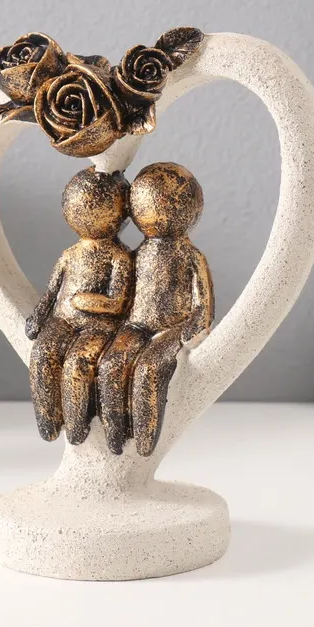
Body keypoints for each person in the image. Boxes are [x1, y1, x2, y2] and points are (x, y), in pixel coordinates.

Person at [98, 162, 214, 457]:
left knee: (148, 369)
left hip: (172, 328)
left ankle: (145, 442)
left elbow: (203, 304)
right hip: (135, 325)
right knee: (111, 364)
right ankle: (115, 437)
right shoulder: (138, 254)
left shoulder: (191, 255)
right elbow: (123, 296)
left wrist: (193, 329)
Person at [25, 168, 133, 445]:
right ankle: (49, 421)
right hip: (64, 320)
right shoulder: (69, 255)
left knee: (78, 364)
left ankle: (77, 428)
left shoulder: (119, 257)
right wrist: (39, 315)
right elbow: (51, 292)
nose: (87, 213)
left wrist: (89, 302)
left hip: (99, 326)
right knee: (42, 355)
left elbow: (119, 303)